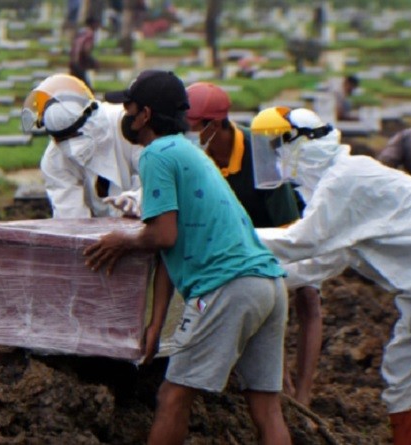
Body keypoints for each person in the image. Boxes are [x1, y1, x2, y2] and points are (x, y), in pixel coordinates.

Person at [84, 70, 292, 445]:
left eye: (129, 110)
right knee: (265, 407)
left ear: (145, 115)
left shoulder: (157, 154)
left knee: (173, 396)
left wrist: (122, 241)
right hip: (269, 285)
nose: (125, 119)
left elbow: (162, 234)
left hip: (228, 286)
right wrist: (156, 322)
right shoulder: (190, 152)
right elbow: (168, 246)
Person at [249, 106, 411, 445]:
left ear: (299, 145)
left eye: (276, 148)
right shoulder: (336, 185)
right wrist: (257, 275)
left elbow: (302, 241)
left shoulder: (345, 179)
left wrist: (224, 238)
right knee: (404, 378)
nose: (275, 160)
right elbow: (323, 262)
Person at [185, 82, 322, 406]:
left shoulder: (258, 150)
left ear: (214, 125)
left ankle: (302, 391)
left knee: (307, 297)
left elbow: (286, 221)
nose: (184, 133)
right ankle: (276, 378)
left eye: (190, 127)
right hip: (232, 236)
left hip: (281, 228)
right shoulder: (191, 154)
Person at [21, 74, 142, 218]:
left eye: (75, 136)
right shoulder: (54, 160)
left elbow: (157, 183)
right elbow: (71, 219)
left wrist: (138, 199)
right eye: (62, 140)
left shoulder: (128, 126)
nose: (71, 147)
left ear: (91, 118)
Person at [69, 16, 99, 90]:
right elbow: (85, 50)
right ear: (92, 24)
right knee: (87, 89)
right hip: (79, 63)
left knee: (74, 86)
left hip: (73, 62)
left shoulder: (81, 32)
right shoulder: (90, 34)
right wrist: (93, 62)